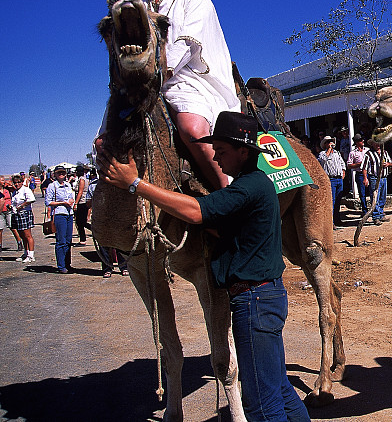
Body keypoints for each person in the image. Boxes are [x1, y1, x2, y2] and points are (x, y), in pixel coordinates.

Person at [98, 111, 310, 422]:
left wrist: (135, 184)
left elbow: (197, 213)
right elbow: (223, 226)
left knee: (261, 405)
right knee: (279, 389)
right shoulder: (256, 186)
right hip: (266, 298)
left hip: (254, 301)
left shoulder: (247, 187)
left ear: (243, 151)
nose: (215, 157)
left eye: (222, 151)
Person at [110, 0, 240, 191]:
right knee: (108, 134)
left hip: (188, 79)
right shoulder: (139, 2)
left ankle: (229, 195)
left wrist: (159, 71)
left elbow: (188, 44)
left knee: (191, 129)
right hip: (141, 81)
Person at [45, 165, 75, 274]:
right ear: (55, 174)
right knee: (61, 240)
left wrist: (72, 202)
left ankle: (68, 264)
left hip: (69, 213)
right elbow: (48, 202)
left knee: (68, 240)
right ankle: (61, 265)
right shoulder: (52, 186)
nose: (61, 174)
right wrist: (62, 203)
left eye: (63, 172)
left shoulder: (68, 185)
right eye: (59, 173)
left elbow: (72, 197)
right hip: (59, 214)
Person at [362, 140, 392, 224]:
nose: (377, 145)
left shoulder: (384, 153)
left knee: (383, 196)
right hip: (374, 178)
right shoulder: (368, 154)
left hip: (384, 177)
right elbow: (364, 167)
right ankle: (375, 216)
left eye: (379, 143)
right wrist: (365, 178)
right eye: (375, 143)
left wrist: (388, 164)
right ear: (372, 144)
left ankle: (381, 214)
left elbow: (391, 163)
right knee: (375, 197)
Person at [317, 135, 346, 222]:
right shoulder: (322, 153)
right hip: (330, 179)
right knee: (331, 201)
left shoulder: (337, 153)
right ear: (325, 144)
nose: (330, 143)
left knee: (338, 200)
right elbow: (323, 160)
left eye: (331, 141)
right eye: (328, 142)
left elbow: (342, 163)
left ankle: (337, 219)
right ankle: (331, 221)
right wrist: (329, 150)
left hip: (338, 178)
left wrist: (343, 172)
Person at [9, 174, 36, 263]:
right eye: (15, 183)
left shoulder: (25, 189)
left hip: (25, 213)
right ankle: (26, 253)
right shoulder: (15, 192)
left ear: (21, 182)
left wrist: (22, 206)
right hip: (17, 214)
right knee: (22, 235)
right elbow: (13, 203)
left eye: (18, 182)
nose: (17, 184)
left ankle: (31, 255)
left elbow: (31, 199)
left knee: (27, 235)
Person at [347, 134, 370, 215]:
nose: (362, 141)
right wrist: (359, 164)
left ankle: (373, 209)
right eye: (360, 140)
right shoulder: (353, 153)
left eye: (362, 139)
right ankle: (365, 210)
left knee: (372, 192)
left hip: (369, 173)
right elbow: (349, 165)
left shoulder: (367, 150)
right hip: (360, 173)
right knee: (362, 193)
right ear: (356, 142)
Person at [73, 165, 90, 246]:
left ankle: (84, 238)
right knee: (80, 222)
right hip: (82, 202)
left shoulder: (82, 180)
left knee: (81, 222)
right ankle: (82, 238)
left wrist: (75, 203)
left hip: (82, 203)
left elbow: (80, 192)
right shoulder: (83, 179)